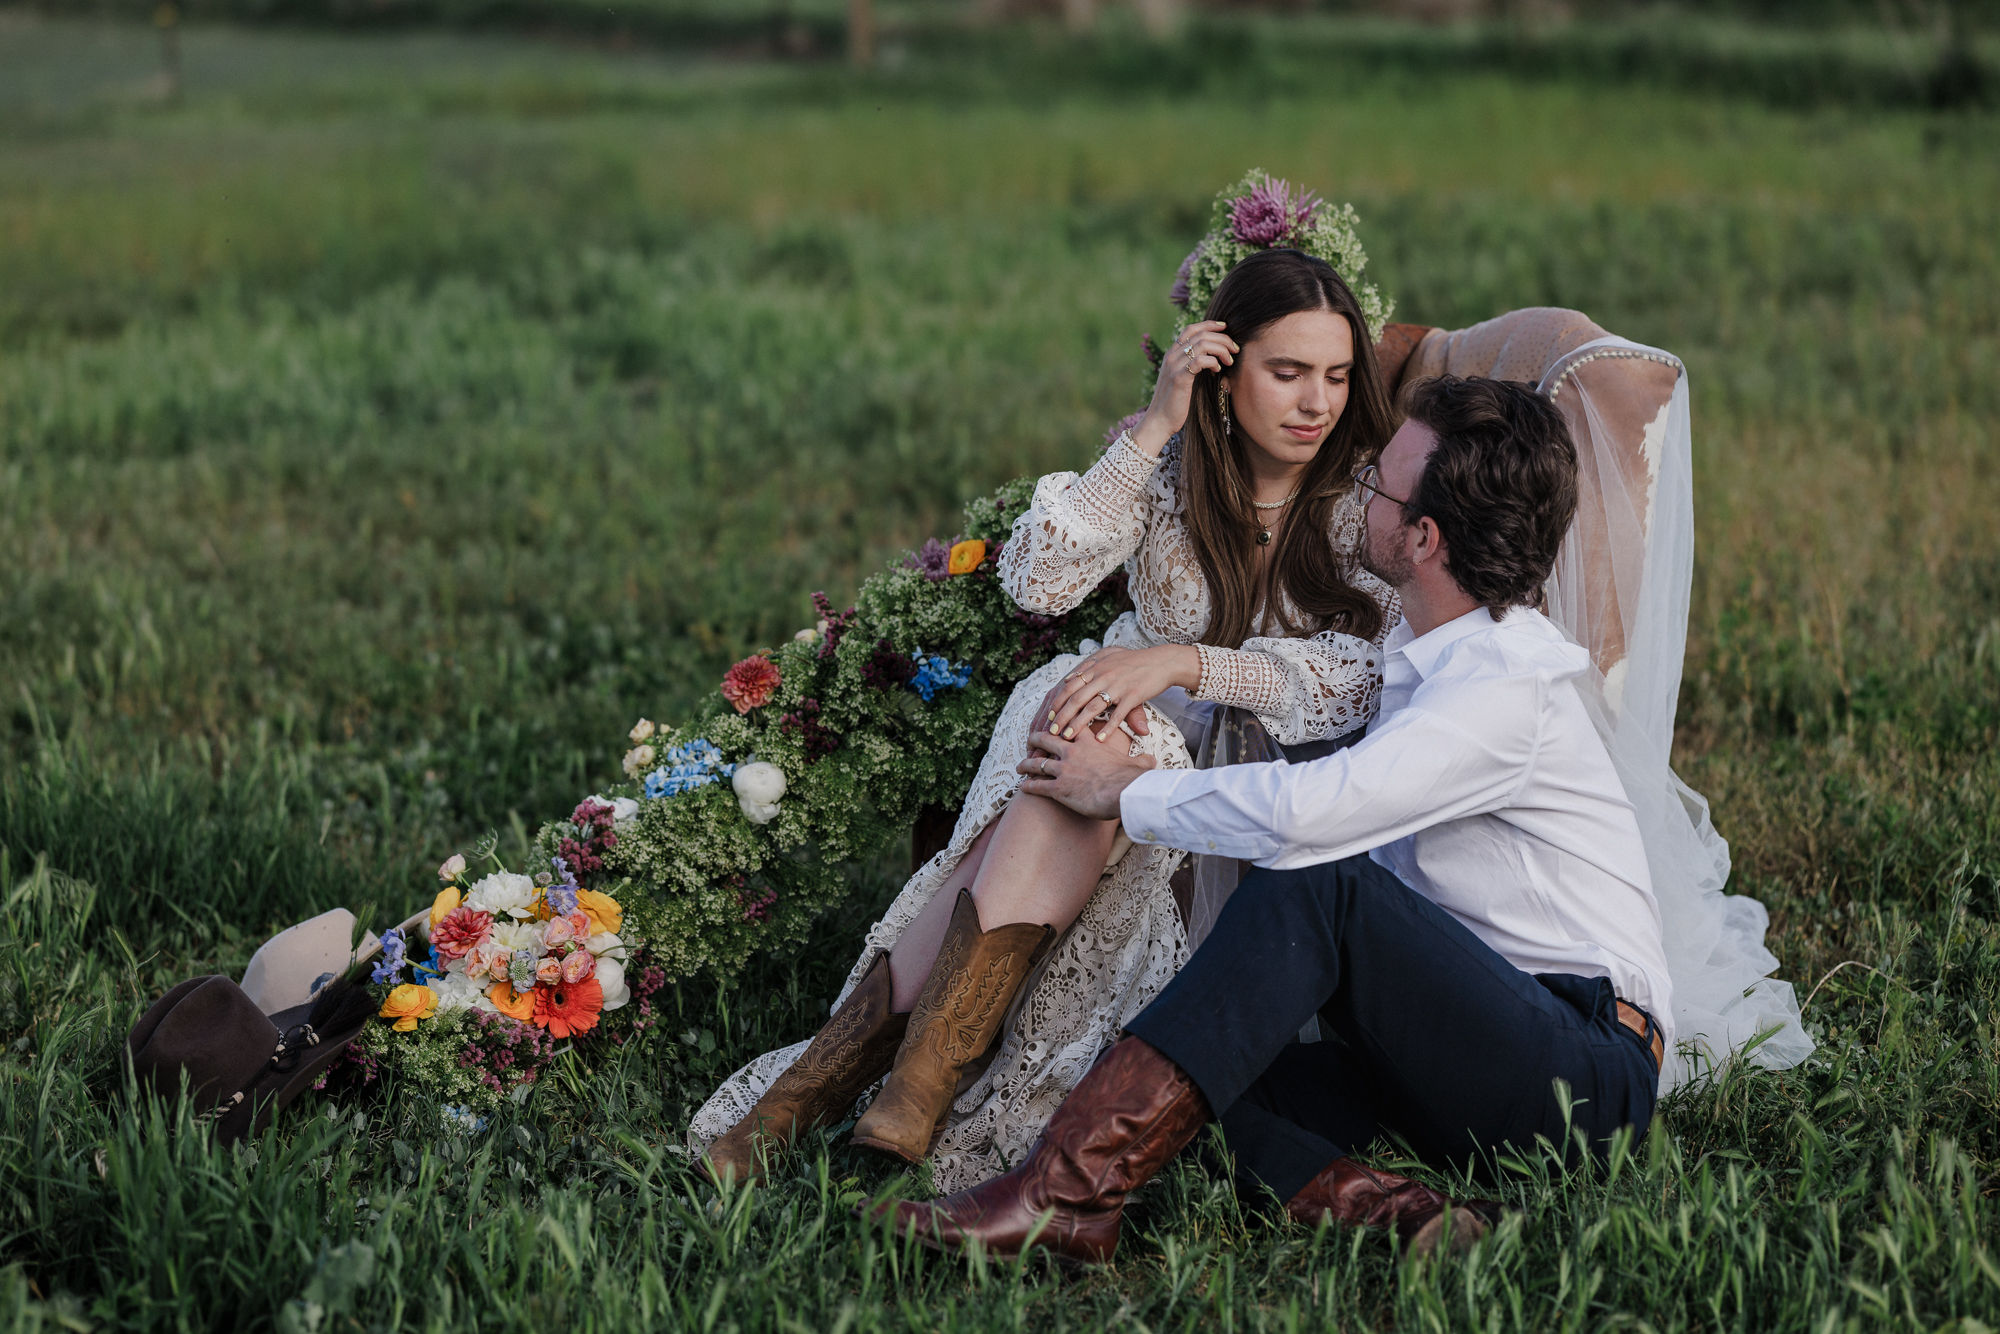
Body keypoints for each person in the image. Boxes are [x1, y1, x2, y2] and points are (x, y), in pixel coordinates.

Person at [883, 374, 1673, 1262]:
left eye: (1379, 485)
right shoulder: (1423, 655)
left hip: (1583, 1077)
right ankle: (1405, 1216)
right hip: (1449, 1047)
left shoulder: (1504, 691)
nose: (1360, 491)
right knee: (1199, 1075)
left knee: (1320, 882)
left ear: (1424, 536)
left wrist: (1123, 791)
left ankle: (1061, 1196)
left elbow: (1311, 819)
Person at [691, 249, 1402, 1191]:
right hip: (1105, 726)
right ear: (1223, 375)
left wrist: (1184, 661)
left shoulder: (1367, 498)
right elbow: (1038, 580)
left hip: (1254, 790)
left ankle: (822, 1095)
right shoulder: (1171, 470)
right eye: (1288, 372)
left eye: (1338, 376)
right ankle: (902, 1094)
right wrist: (1155, 426)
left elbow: (1365, 678)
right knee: (1089, 735)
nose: (1318, 402)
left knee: (1084, 752)